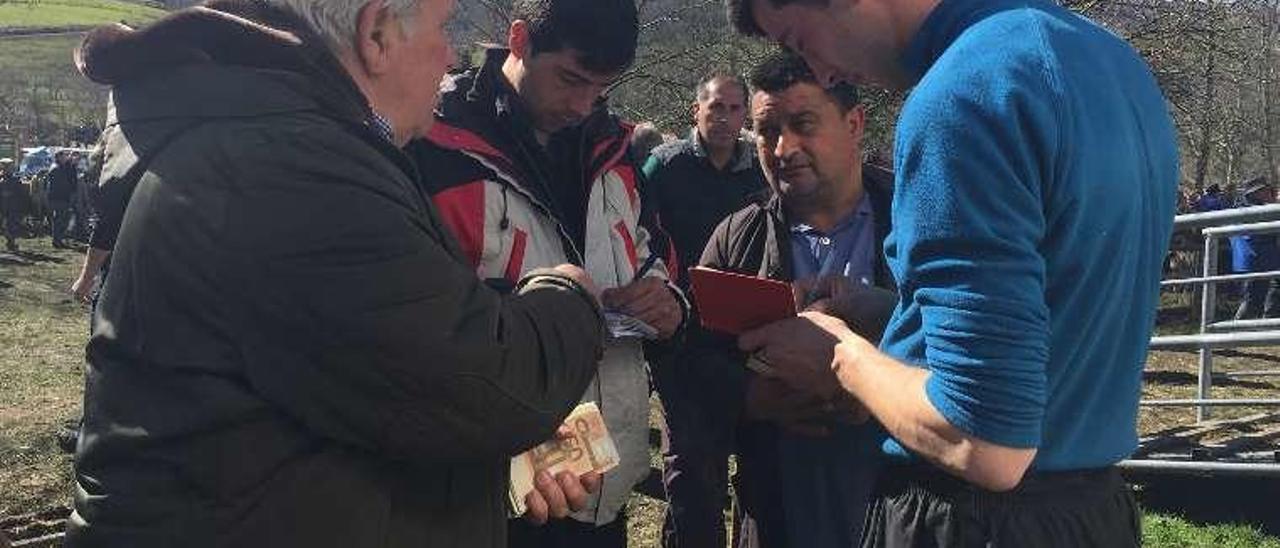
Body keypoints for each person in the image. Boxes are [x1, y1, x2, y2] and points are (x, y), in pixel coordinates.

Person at [67, 0, 611, 545]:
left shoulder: (275, 142)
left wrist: (491, 464)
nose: (452, 56)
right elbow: (484, 382)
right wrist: (569, 293)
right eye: (444, 29)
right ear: (376, 33)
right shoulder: (288, 167)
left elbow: (366, 381)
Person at [726, 0, 1179, 546]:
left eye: (801, 42)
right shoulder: (1114, 63)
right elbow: (1058, 308)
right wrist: (899, 316)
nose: (821, 72)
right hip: (1093, 511)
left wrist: (840, 353)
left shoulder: (960, 95)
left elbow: (983, 441)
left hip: (975, 521)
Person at [406, 1, 686, 546]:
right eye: (571, 80)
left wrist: (668, 299)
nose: (583, 105)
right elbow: (418, 321)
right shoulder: (432, 145)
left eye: (601, 87)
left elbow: (653, 250)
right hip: (490, 489)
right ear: (519, 40)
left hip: (605, 481)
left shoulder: (617, 148)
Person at [696, 50, 894, 548]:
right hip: (776, 507)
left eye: (803, 123)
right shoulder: (735, 239)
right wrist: (748, 399)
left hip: (904, 502)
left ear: (854, 123)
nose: (782, 148)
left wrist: (877, 384)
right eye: (766, 131)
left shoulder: (919, 223)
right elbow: (690, 367)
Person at [639, 72, 768, 548]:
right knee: (692, 475)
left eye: (736, 109)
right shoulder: (664, 168)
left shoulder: (759, 172)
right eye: (716, 108)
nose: (726, 119)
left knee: (757, 474)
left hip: (747, 342)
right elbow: (636, 234)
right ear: (696, 111)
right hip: (684, 343)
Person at [1231, 177, 1280, 320]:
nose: (1270, 194)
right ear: (1256, 193)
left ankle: (1268, 322)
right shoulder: (1253, 211)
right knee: (1251, 300)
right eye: (1266, 191)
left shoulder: (1245, 208)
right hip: (1255, 261)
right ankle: (1235, 333)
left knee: (1258, 296)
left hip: (1261, 261)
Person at [46, 151, 79, 248]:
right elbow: (64, 183)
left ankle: (58, 239)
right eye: (64, 156)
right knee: (60, 219)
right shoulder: (56, 168)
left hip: (61, 197)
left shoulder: (60, 167)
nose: (66, 158)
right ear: (59, 157)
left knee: (63, 218)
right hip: (58, 198)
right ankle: (57, 240)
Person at [0, 158, 20, 252]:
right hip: (3, 206)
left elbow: (18, 192)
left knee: (11, 225)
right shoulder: (2, 179)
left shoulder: (14, 179)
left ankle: (11, 242)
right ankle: (11, 241)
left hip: (12, 206)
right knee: (4, 226)